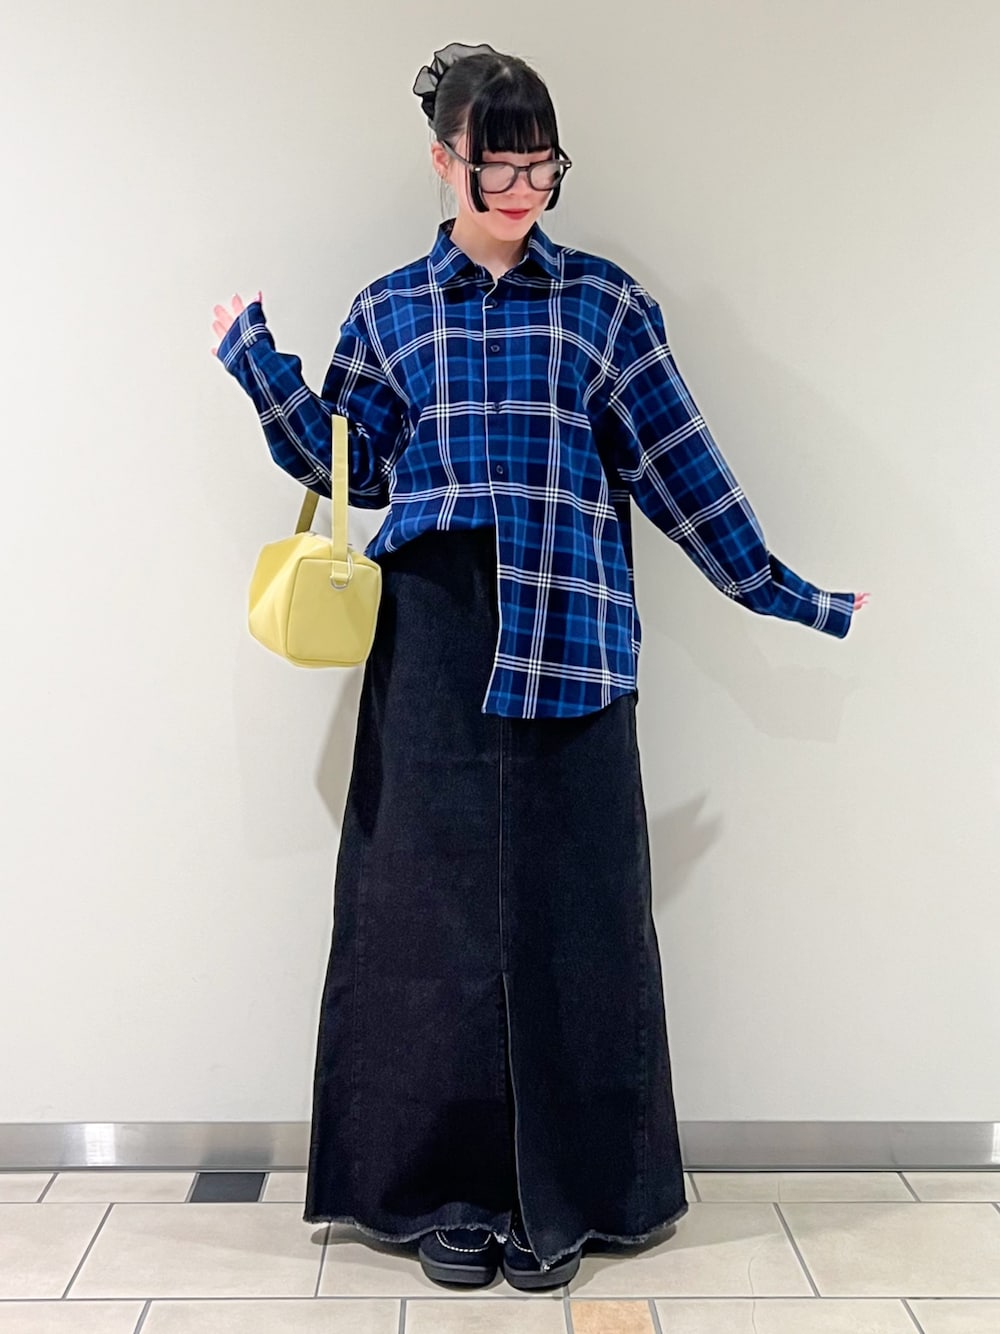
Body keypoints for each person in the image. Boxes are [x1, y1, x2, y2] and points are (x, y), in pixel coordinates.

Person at [210, 40, 869, 1293]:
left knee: (581, 916)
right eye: (496, 168)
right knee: (425, 923)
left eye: (540, 167)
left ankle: (572, 1193)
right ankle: (442, 1190)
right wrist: (256, 360)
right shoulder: (390, 309)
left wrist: (790, 592)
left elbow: (682, 470)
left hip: (572, 634)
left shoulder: (606, 307)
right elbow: (348, 463)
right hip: (431, 638)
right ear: (443, 161)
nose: (520, 192)